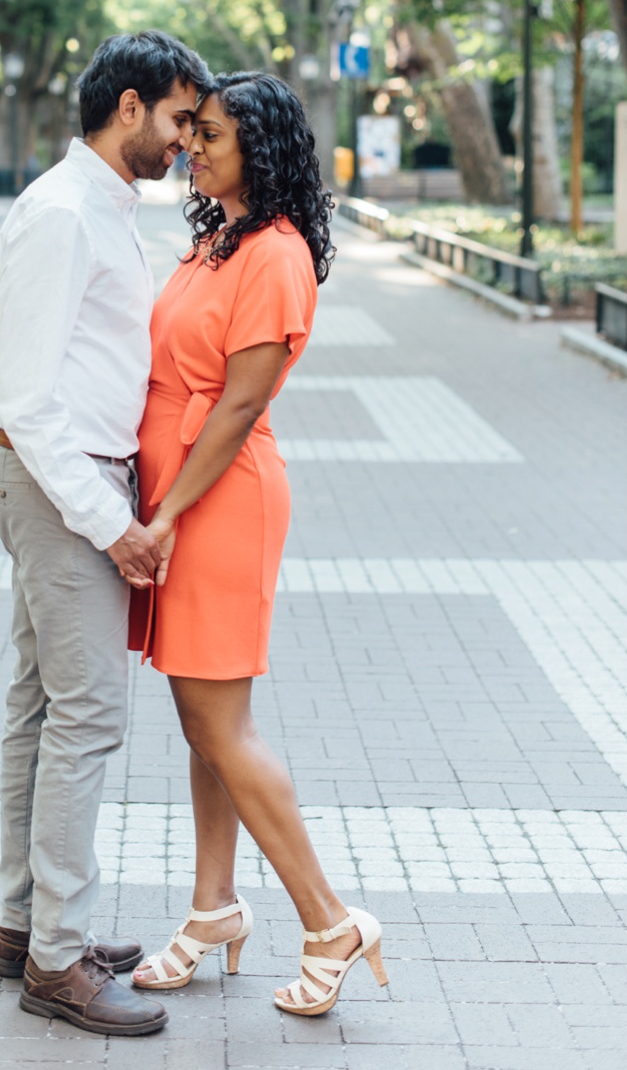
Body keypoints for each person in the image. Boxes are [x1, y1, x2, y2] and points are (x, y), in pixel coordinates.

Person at [123, 72, 386, 1018]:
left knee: (221, 723)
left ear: (261, 147)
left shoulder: (274, 254)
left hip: (220, 497)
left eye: (214, 135)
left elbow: (238, 408)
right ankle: (213, 910)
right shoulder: (215, 241)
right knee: (202, 721)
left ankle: (329, 921)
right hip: (182, 490)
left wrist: (165, 517)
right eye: (192, 131)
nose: (193, 146)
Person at [0, 30, 211, 1036]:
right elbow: (24, 402)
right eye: (176, 120)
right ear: (127, 108)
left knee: (39, 707)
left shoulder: (106, 209)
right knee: (85, 719)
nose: (185, 142)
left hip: (72, 480)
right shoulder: (62, 216)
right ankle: (57, 964)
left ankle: (28, 928)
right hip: (61, 485)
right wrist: (113, 525)